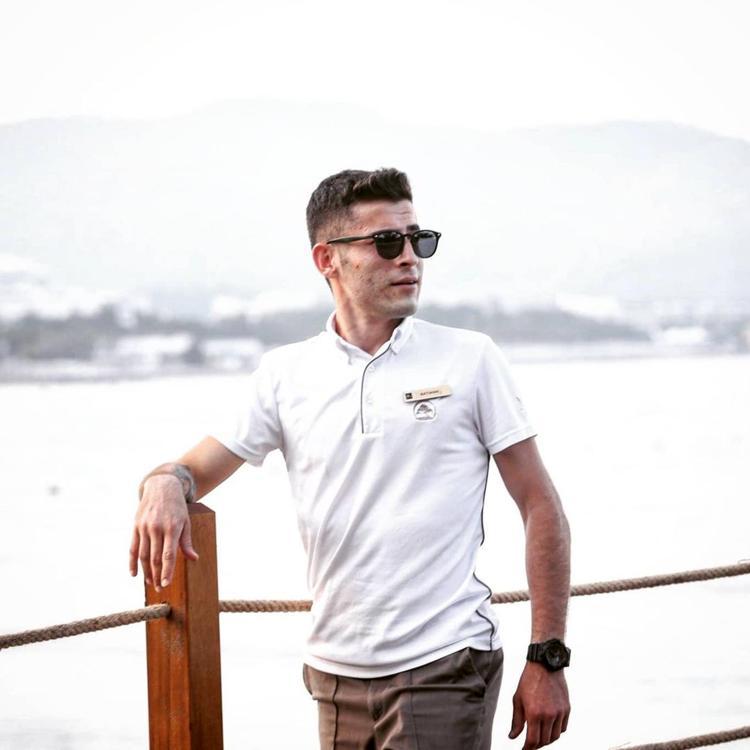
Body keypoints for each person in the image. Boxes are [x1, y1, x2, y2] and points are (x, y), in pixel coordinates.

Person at [130, 168, 571, 750]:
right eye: (387, 242)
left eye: (419, 240)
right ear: (327, 259)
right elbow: (195, 468)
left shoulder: (470, 358)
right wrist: (163, 484)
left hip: (444, 662)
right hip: (333, 675)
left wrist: (547, 657)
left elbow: (540, 505)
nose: (409, 258)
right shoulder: (285, 374)